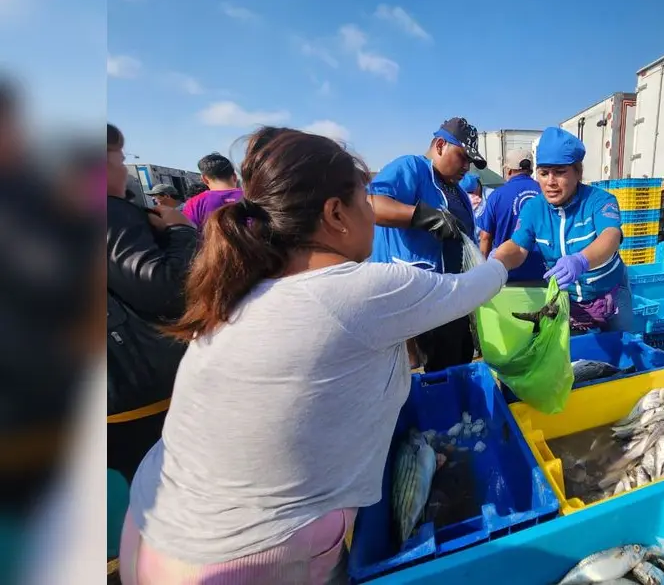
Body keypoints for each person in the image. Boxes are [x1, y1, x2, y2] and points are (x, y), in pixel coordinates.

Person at [120, 127, 517, 584]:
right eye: (365, 199)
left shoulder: (245, 284)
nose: (372, 210)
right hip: (242, 561)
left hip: (152, 533)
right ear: (335, 213)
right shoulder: (362, 289)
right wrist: (503, 259)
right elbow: (474, 288)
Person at [107, 124, 198, 483]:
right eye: (120, 157)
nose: (124, 166)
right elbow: (168, 290)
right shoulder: (109, 214)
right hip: (142, 395)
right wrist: (181, 232)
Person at [368, 117, 488, 372]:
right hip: (414, 298)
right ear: (441, 144)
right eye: (463, 157)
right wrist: (422, 216)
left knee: (457, 362)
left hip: (451, 300)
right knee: (427, 372)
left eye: (470, 162)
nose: (467, 167)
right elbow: (371, 204)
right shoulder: (412, 168)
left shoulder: (460, 195)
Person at [493, 128, 632, 332]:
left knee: (623, 352)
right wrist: (497, 262)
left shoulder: (600, 200)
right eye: (543, 173)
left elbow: (610, 236)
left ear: (578, 173)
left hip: (611, 296)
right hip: (570, 303)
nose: (550, 182)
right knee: (575, 359)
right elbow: (518, 246)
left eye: (559, 172)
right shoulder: (533, 208)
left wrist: (581, 260)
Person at [478, 148, 546, 282]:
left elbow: (485, 237)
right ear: (531, 169)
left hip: (506, 273)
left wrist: (482, 273)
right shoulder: (546, 192)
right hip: (543, 273)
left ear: (508, 170)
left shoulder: (496, 196)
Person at [183, 152, 243, 230]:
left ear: (204, 179)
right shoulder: (252, 196)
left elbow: (189, 234)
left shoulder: (194, 203)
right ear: (234, 176)